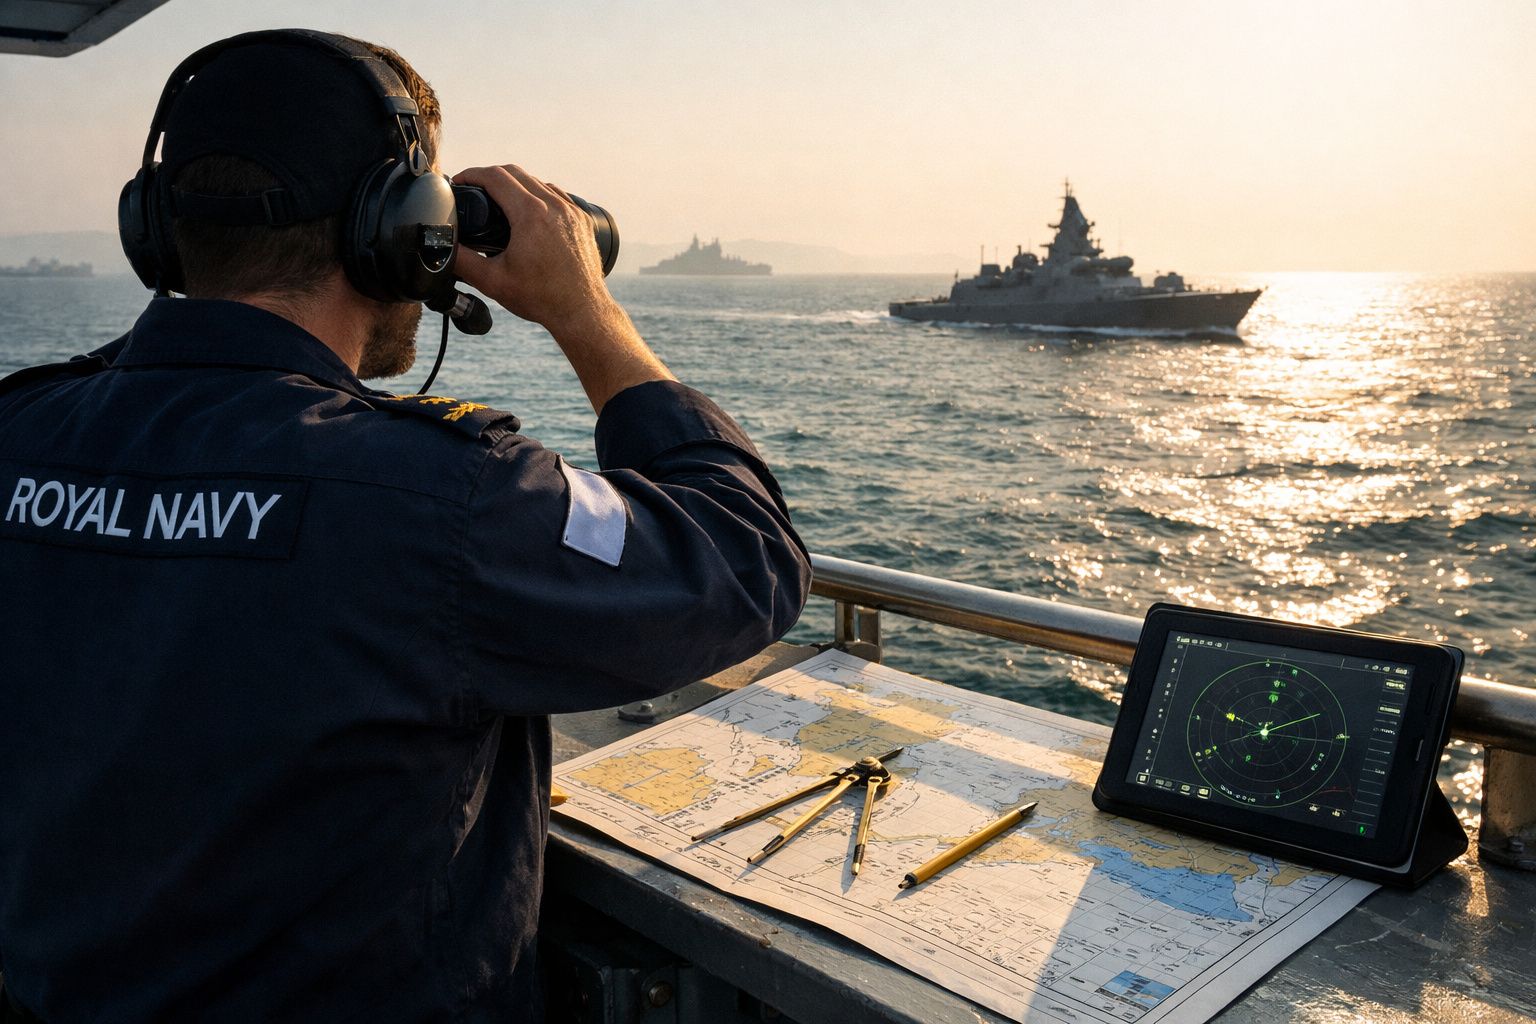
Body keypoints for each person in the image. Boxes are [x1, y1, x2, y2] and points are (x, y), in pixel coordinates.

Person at [0, 29, 810, 1023]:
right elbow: (743, 556)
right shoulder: (443, 502)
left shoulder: (21, 432)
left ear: (156, 231)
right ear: (395, 234)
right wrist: (587, 312)